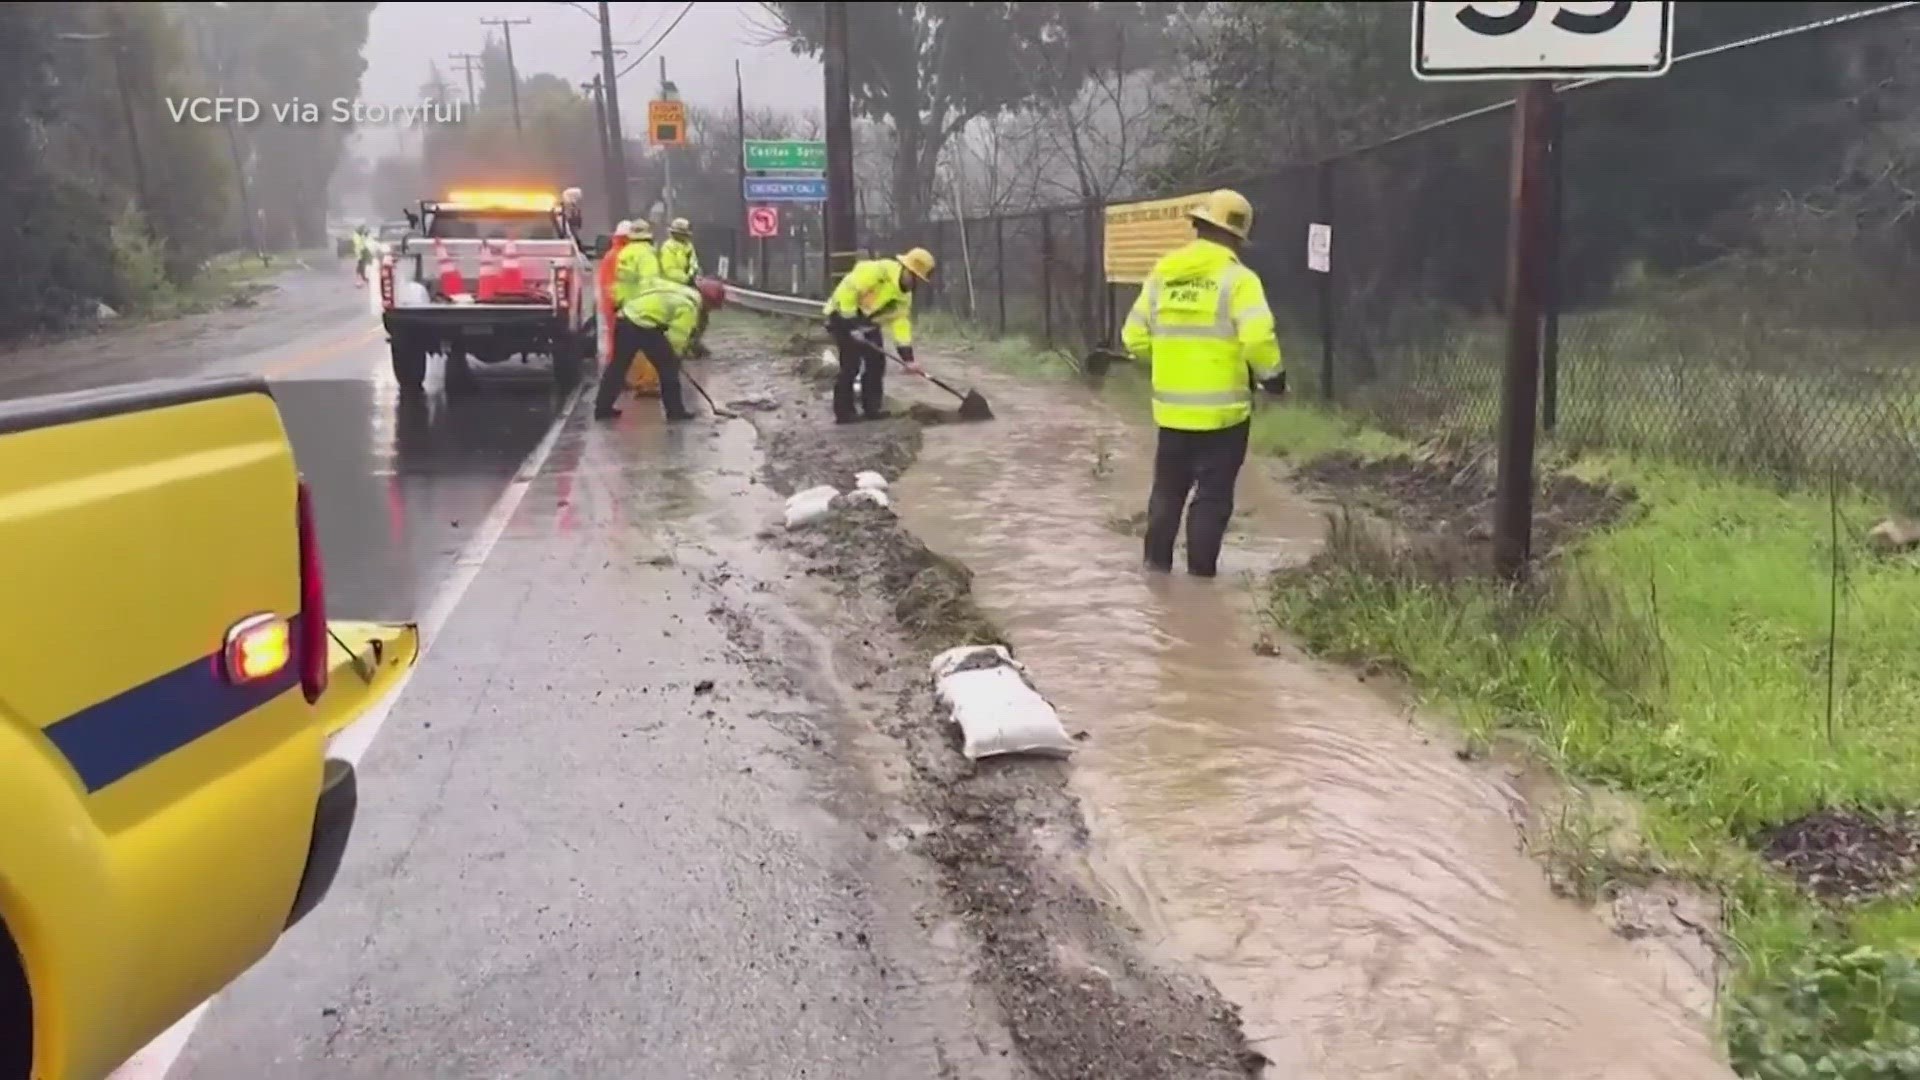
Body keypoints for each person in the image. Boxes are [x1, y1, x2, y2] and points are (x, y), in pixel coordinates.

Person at [1119, 189, 1285, 579]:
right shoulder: (1239, 280)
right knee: (1210, 499)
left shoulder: (1164, 273)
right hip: (1224, 417)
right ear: (1237, 235)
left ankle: (1155, 570)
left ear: (1198, 224)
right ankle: (1200, 582)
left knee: (1167, 493)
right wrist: (1273, 379)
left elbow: (1134, 338)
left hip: (1172, 412)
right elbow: (1259, 338)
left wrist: (1169, 364)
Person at [821, 248, 935, 424]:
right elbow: (847, 293)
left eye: (919, 280)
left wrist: (908, 358)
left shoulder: (904, 296)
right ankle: (844, 413)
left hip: (868, 322)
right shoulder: (877, 272)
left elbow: (900, 323)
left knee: (876, 362)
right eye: (914, 277)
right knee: (851, 364)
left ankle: (872, 409)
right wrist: (851, 326)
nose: (914, 283)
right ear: (906, 269)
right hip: (841, 314)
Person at [595, 278, 726, 422]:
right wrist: (675, 357)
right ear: (708, 301)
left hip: (625, 318)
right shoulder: (690, 306)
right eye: (712, 307)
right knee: (668, 368)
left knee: (618, 366)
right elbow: (677, 337)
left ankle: (602, 408)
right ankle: (675, 412)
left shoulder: (679, 291)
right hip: (645, 325)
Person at [610, 219, 663, 397]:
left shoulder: (624, 253)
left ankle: (608, 400)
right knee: (652, 351)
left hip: (625, 308)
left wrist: (619, 302)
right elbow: (650, 282)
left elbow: (619, 282)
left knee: (622, 358)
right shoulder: (647, 254)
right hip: (643, 308)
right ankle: (647, 384)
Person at [660, 218, 710, 359]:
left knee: (701, 315)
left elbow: (694, 263)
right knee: (681, 318)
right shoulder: (668, 247)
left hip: (690, 285)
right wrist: (686, 279)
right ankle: (680, 346)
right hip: (673, 287)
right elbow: (669, 270)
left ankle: (694, 341)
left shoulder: (688, 246)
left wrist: (696, 274)